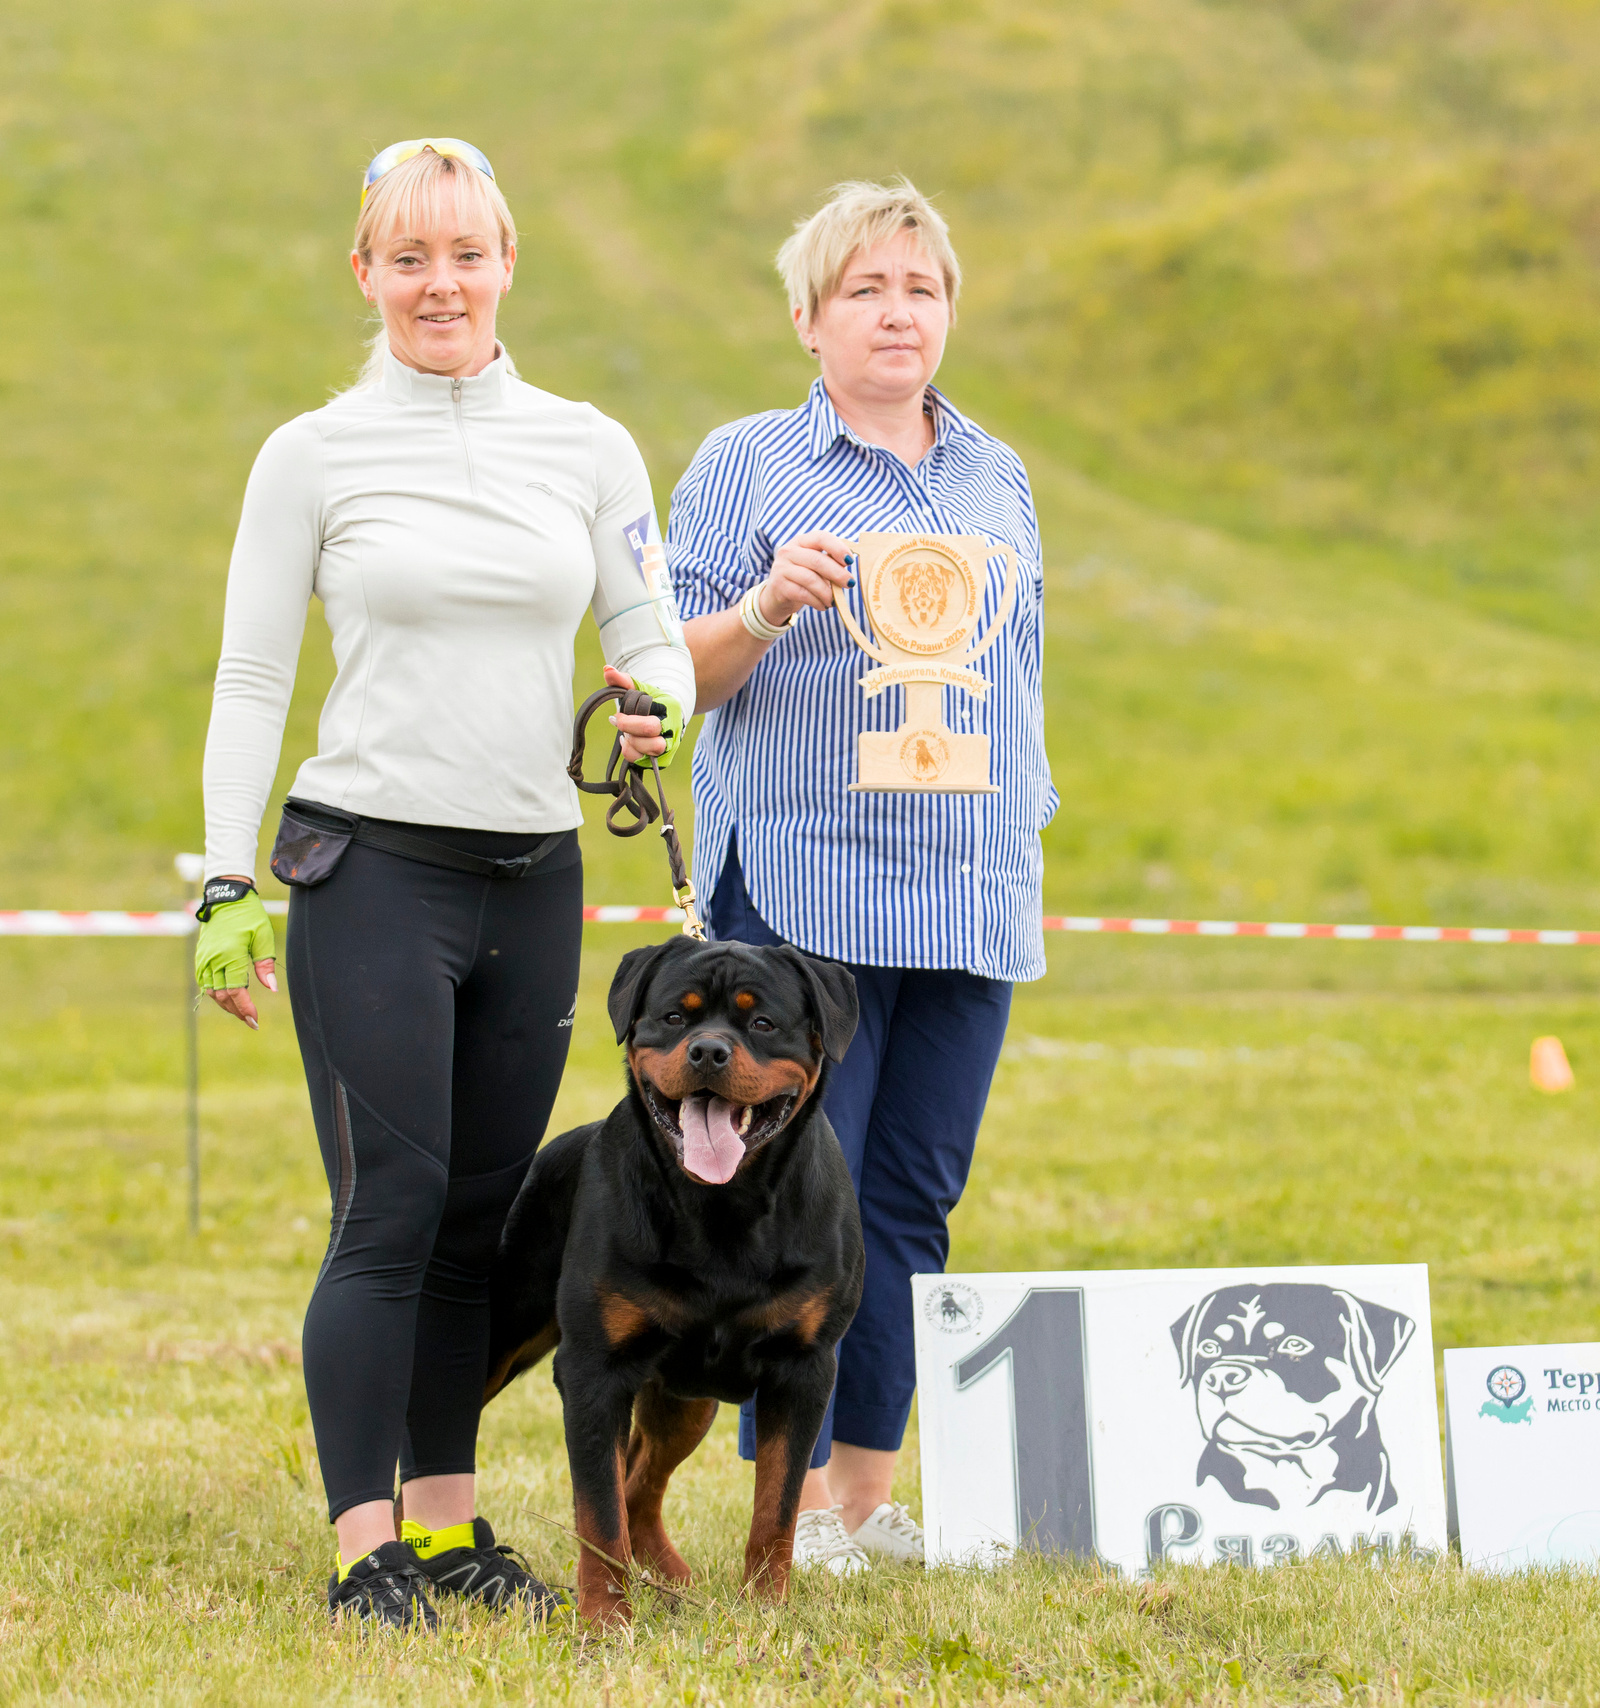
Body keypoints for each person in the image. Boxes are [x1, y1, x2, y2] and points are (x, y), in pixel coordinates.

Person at [191, 138, 693, 1630]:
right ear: (365, 275)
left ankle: (454, 1527)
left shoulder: (591, 445)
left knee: (480, 1221)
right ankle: (366, 1554)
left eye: (464, 253)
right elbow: (250, 676)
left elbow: (650, 624)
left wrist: (652, 692)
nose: (439, 284)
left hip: (533, 876)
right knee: (390, 1210)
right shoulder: (314, 452)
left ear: (508, 261)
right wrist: (227, 882)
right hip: (374, 871)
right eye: (407, 258)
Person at [667, 178, 1053, 1574]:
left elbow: (1018, 683)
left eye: (924, 290)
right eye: (867, 291)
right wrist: (769, 602)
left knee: (911, 1204)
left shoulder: (995, 476)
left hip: (967, 893)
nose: (900, 314)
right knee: (793, 1202)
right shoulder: (747, 463)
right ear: (807, 319)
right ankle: (771, 1498)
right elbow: (673, 670)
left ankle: (860, 1510)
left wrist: (1027, 838)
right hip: (806, 897)